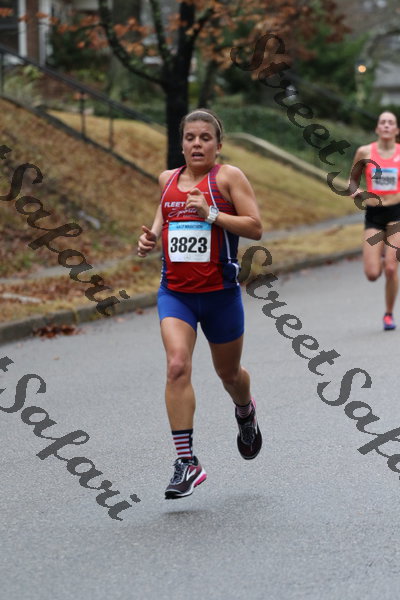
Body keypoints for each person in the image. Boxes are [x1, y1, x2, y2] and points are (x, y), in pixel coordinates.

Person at [137, 108, 263, 499]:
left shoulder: (228, 177)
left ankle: (245, 411)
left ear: (217, 145)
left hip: (220, 296)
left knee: (230, 375)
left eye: (205, 138)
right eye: (190, 137)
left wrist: (212, 214)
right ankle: (186, 462)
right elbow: (164, 213)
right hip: (175, 294)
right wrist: (150, 237)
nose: (197, 144)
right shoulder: (167, 179)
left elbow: (255, 226)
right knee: (177, 365)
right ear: (182, 144)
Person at [350, 111, 400, 330]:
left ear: (396, 130)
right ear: (377, 129)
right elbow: (352, 181)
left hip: (397, 214)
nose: (387, 125)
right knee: (372, 274)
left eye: (391, 123)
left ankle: (388, 314)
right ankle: (380, 253)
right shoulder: (365, 152)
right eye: (383, 122)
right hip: (374, 215)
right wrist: (357, 192)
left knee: (391, 269)